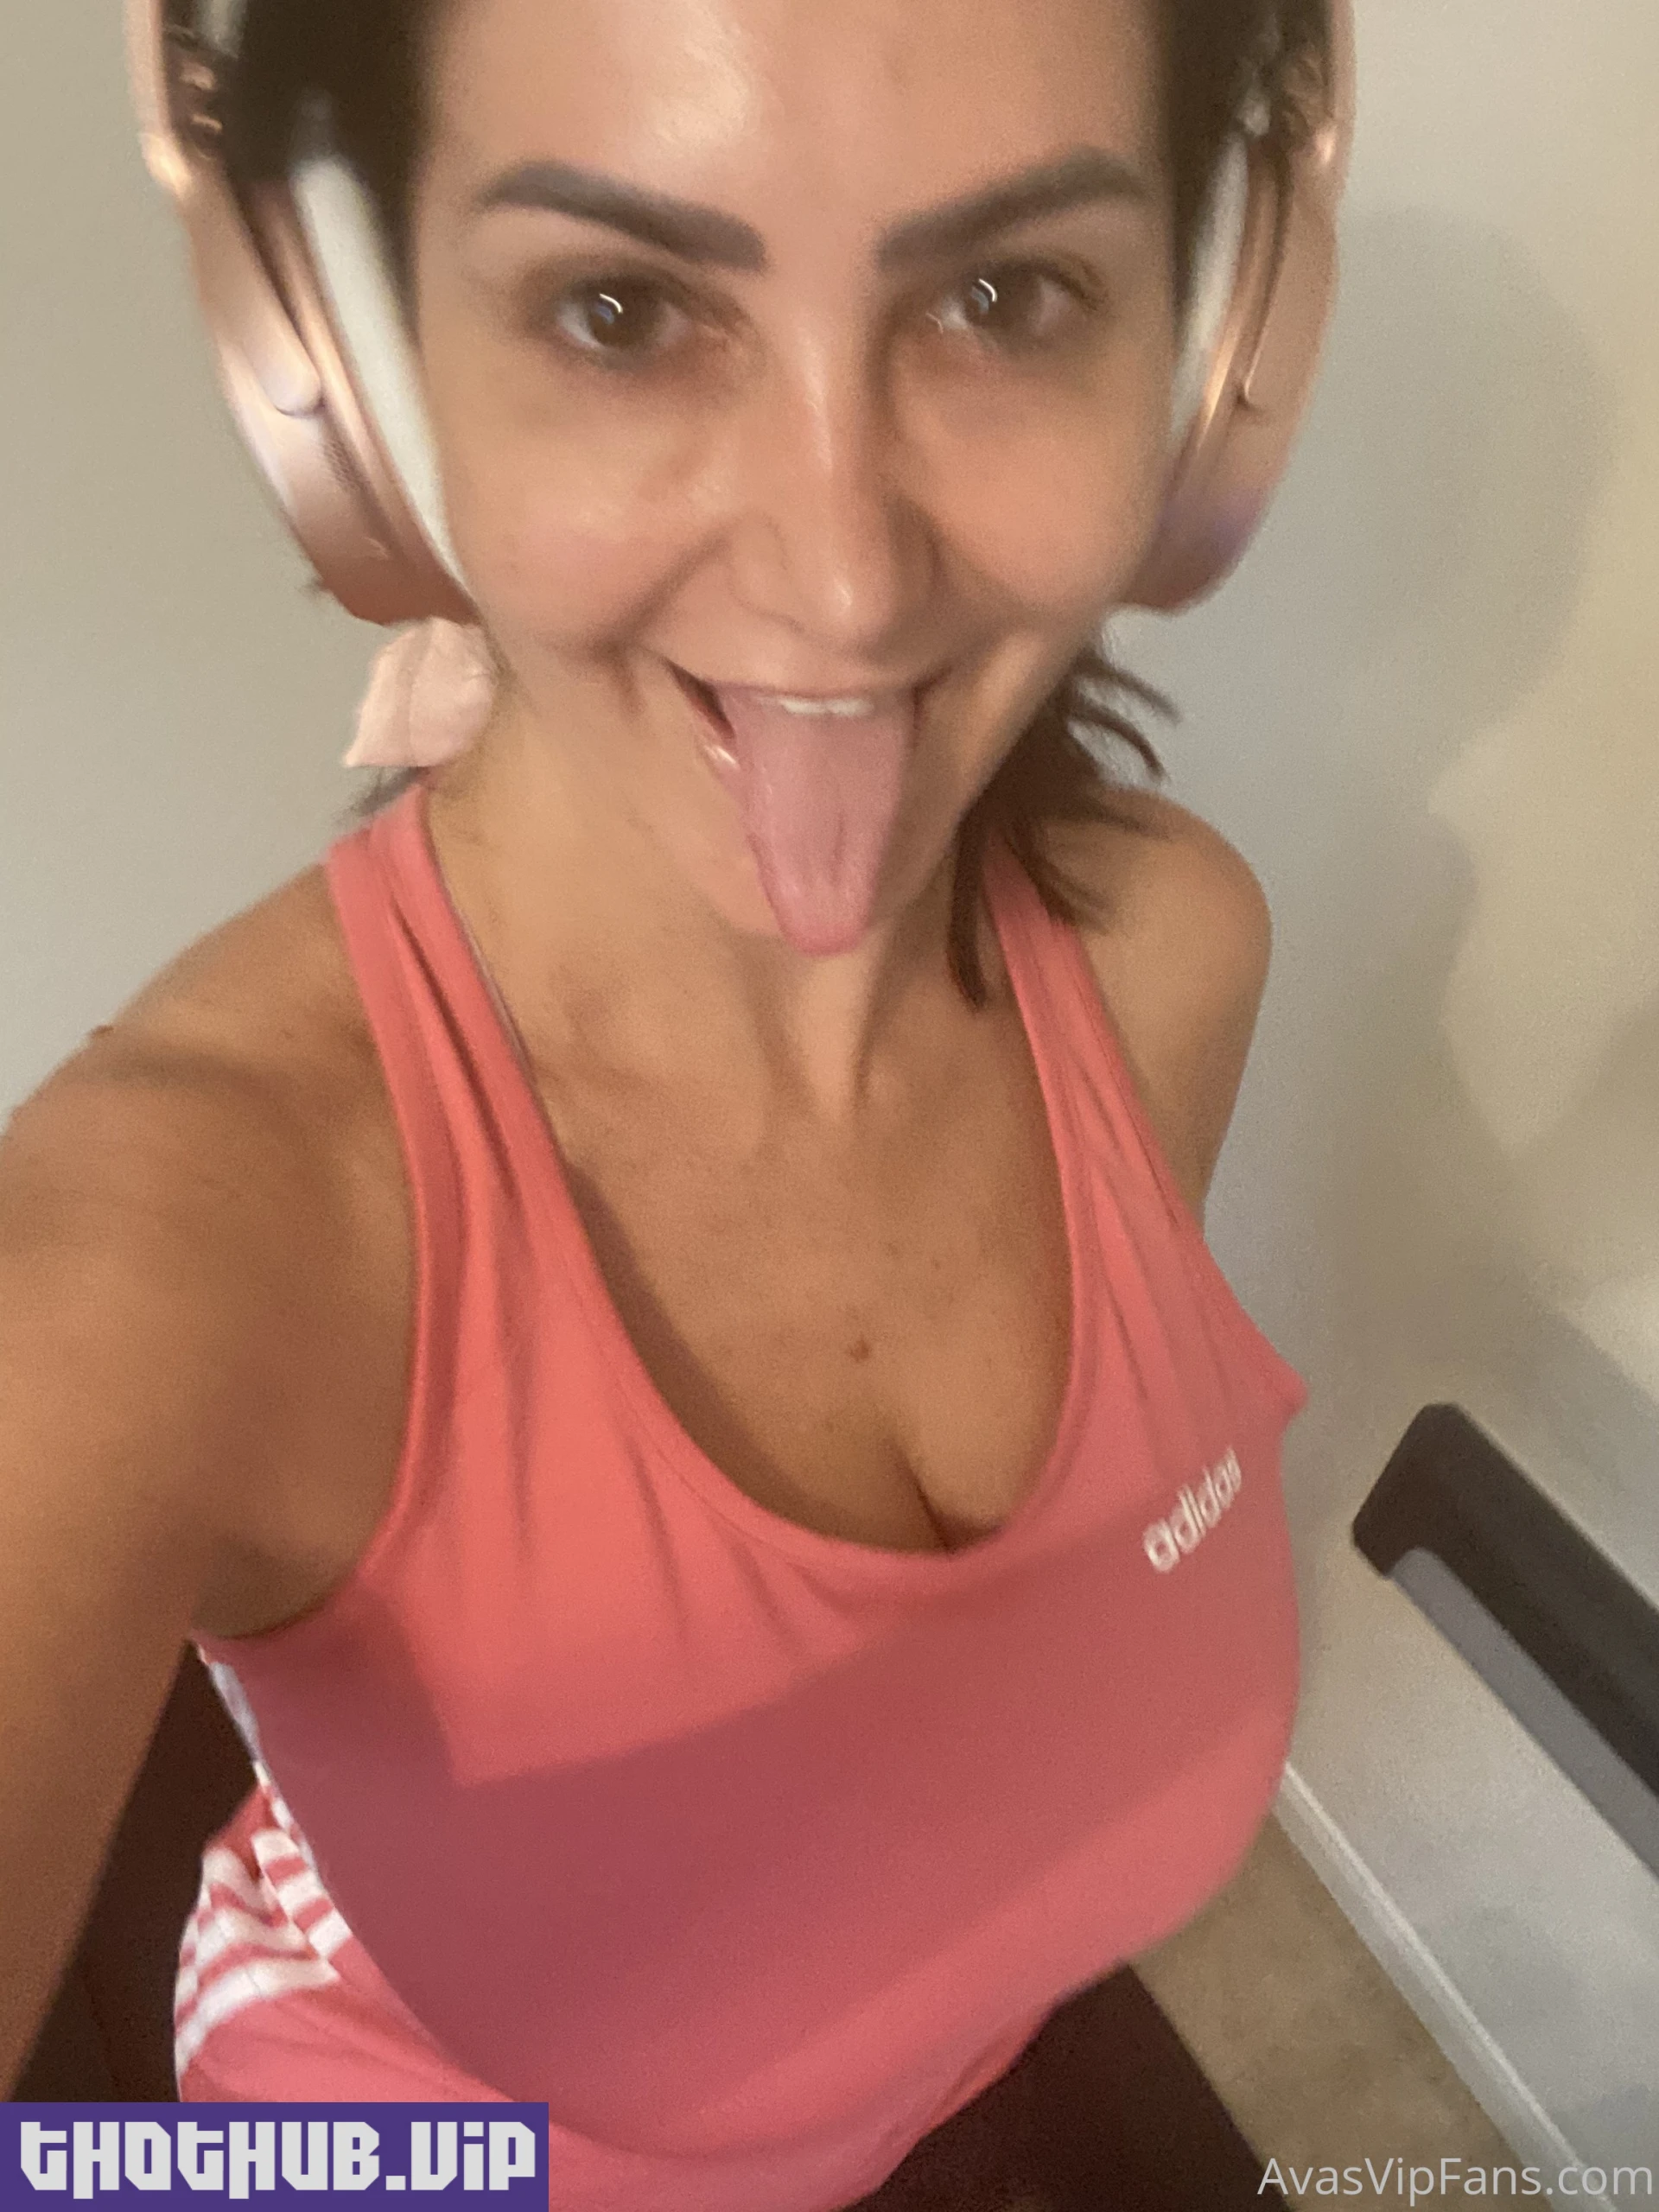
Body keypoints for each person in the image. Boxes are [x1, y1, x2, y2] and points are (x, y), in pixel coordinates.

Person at [0, 0, 1340, 2201]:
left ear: (1213, 364)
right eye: (621, 309)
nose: (842, 574)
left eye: (1010, 296)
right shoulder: (163, 1253)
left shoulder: (1171, 954)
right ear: (354, 381)